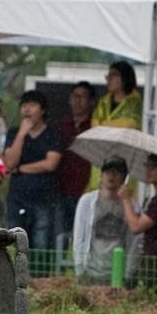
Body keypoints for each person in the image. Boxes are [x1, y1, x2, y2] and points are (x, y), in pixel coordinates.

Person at [3, 89, 62, 275]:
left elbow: (50, 164)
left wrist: (21, 169)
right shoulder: (14, 133)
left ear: (42, 109)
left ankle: (38, 280)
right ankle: (13, 277)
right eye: (24, 106)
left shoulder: (53, 134)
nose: (27, 109)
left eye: (32, 105)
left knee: (40, 241)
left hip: (43, 198)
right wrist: (22, 134)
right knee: (15, 239)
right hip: (17, 198)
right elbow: (9, 163)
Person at [73, 157, 136, 285]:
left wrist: (128, 273)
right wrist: (79, 269)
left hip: (117, 273)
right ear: (101, 175)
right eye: (107, 171)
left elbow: (134, 241)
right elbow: (79, 236)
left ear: (124, 178)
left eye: (116, 172)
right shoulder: (87, 201)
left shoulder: (131, 205)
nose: (111, 176)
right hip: (90, 270)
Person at [119, 154, 157, 287]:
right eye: (147, 165)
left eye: (154, 166)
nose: (148, 170)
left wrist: (125, 199)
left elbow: (136, 227)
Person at [54, 81, 95, 241]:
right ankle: (60, 267)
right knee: (60, 237)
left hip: (87, 191)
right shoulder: (59, 127)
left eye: (83, 97)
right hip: (61, 192)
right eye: (75, 96)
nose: (78, 101)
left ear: (91, 101)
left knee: (84, 237)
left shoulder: (95, 127)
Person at [91, 61, 142, 129]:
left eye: (114, 75)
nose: (109, 79)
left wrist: (103, 125)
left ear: (125, 78)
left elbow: (130, 124)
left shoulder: (134, 102)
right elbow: (94, 124)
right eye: (108, 75)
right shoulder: (103, 101)